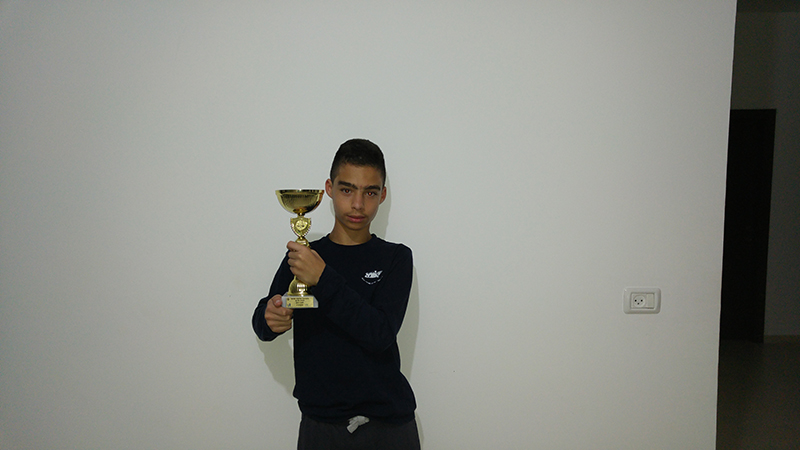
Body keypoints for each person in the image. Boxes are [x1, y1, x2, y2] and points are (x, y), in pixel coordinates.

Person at [252, 139, 420, 450]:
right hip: (321, 427)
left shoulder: (396, 258)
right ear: (329, 188)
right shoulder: (305, 256)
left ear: (382, 195)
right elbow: (264, 321)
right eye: (347, 190)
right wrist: (269, 316)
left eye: (370, 192)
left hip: (388, 427)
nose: (358, 204)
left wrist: (323, 278)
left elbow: (379, 333)